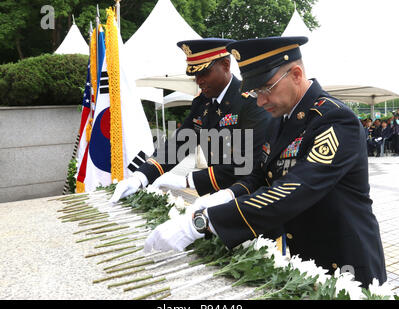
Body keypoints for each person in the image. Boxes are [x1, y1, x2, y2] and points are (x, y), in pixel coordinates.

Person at [144, 36, 387, 288]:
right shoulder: (281, 119)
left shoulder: (334, 119)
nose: (260, 101)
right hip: (305, 257)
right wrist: (225, 195)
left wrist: (205, 222)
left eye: (266, 89)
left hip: (345, 261)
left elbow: (295, 188)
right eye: (256, 92)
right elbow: (260, 176)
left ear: (295, 74)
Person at [109, 38, 272, 202]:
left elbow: (246, 163)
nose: (198, 81)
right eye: (195, 74)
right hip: (217, 197)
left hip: (250, 199)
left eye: (204, 72)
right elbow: (180, 142)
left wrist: (188, 181)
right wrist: (141, 176)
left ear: (226, 65)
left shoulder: (251, 102)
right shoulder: (203, 103)